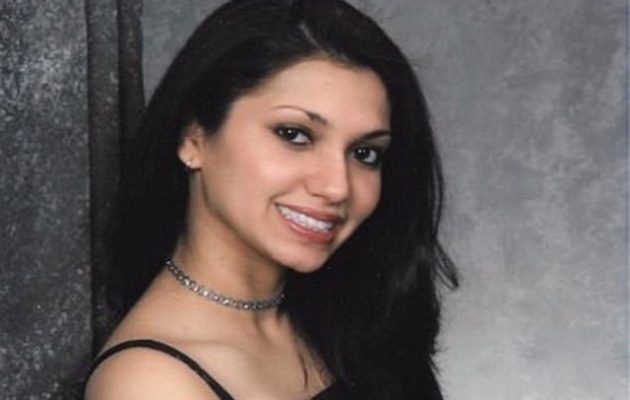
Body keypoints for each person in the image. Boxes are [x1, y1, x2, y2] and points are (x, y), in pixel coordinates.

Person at [85, 0, 457, 399]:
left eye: (364, 153)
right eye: (294, 134)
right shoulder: (150, 385)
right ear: (192, 137)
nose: (337, 187)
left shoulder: (347, 318)